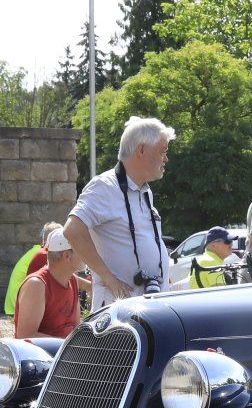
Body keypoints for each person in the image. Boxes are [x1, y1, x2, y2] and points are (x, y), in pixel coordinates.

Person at [64, 117, 173, 309]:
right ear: (141, 150)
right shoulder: (105, 186)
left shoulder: (144, 191)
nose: (166, 159)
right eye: (162, 151)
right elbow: (72, 230)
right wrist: (108, 278)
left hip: (147, 308)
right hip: (118, 310)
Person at [14, 228, 90, 338]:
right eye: (81, 249)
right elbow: (26, 336)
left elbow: (76, 328)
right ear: (67, 255)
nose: (86, 254)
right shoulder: (36, 285)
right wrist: (67, 344)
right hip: (43, 350)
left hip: (65, 348)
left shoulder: (72, 280)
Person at [4, 221, 59, 318]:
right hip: (17, 308)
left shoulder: (37, 250)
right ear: (49, 239)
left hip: (15, 305)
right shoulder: (44, 254)